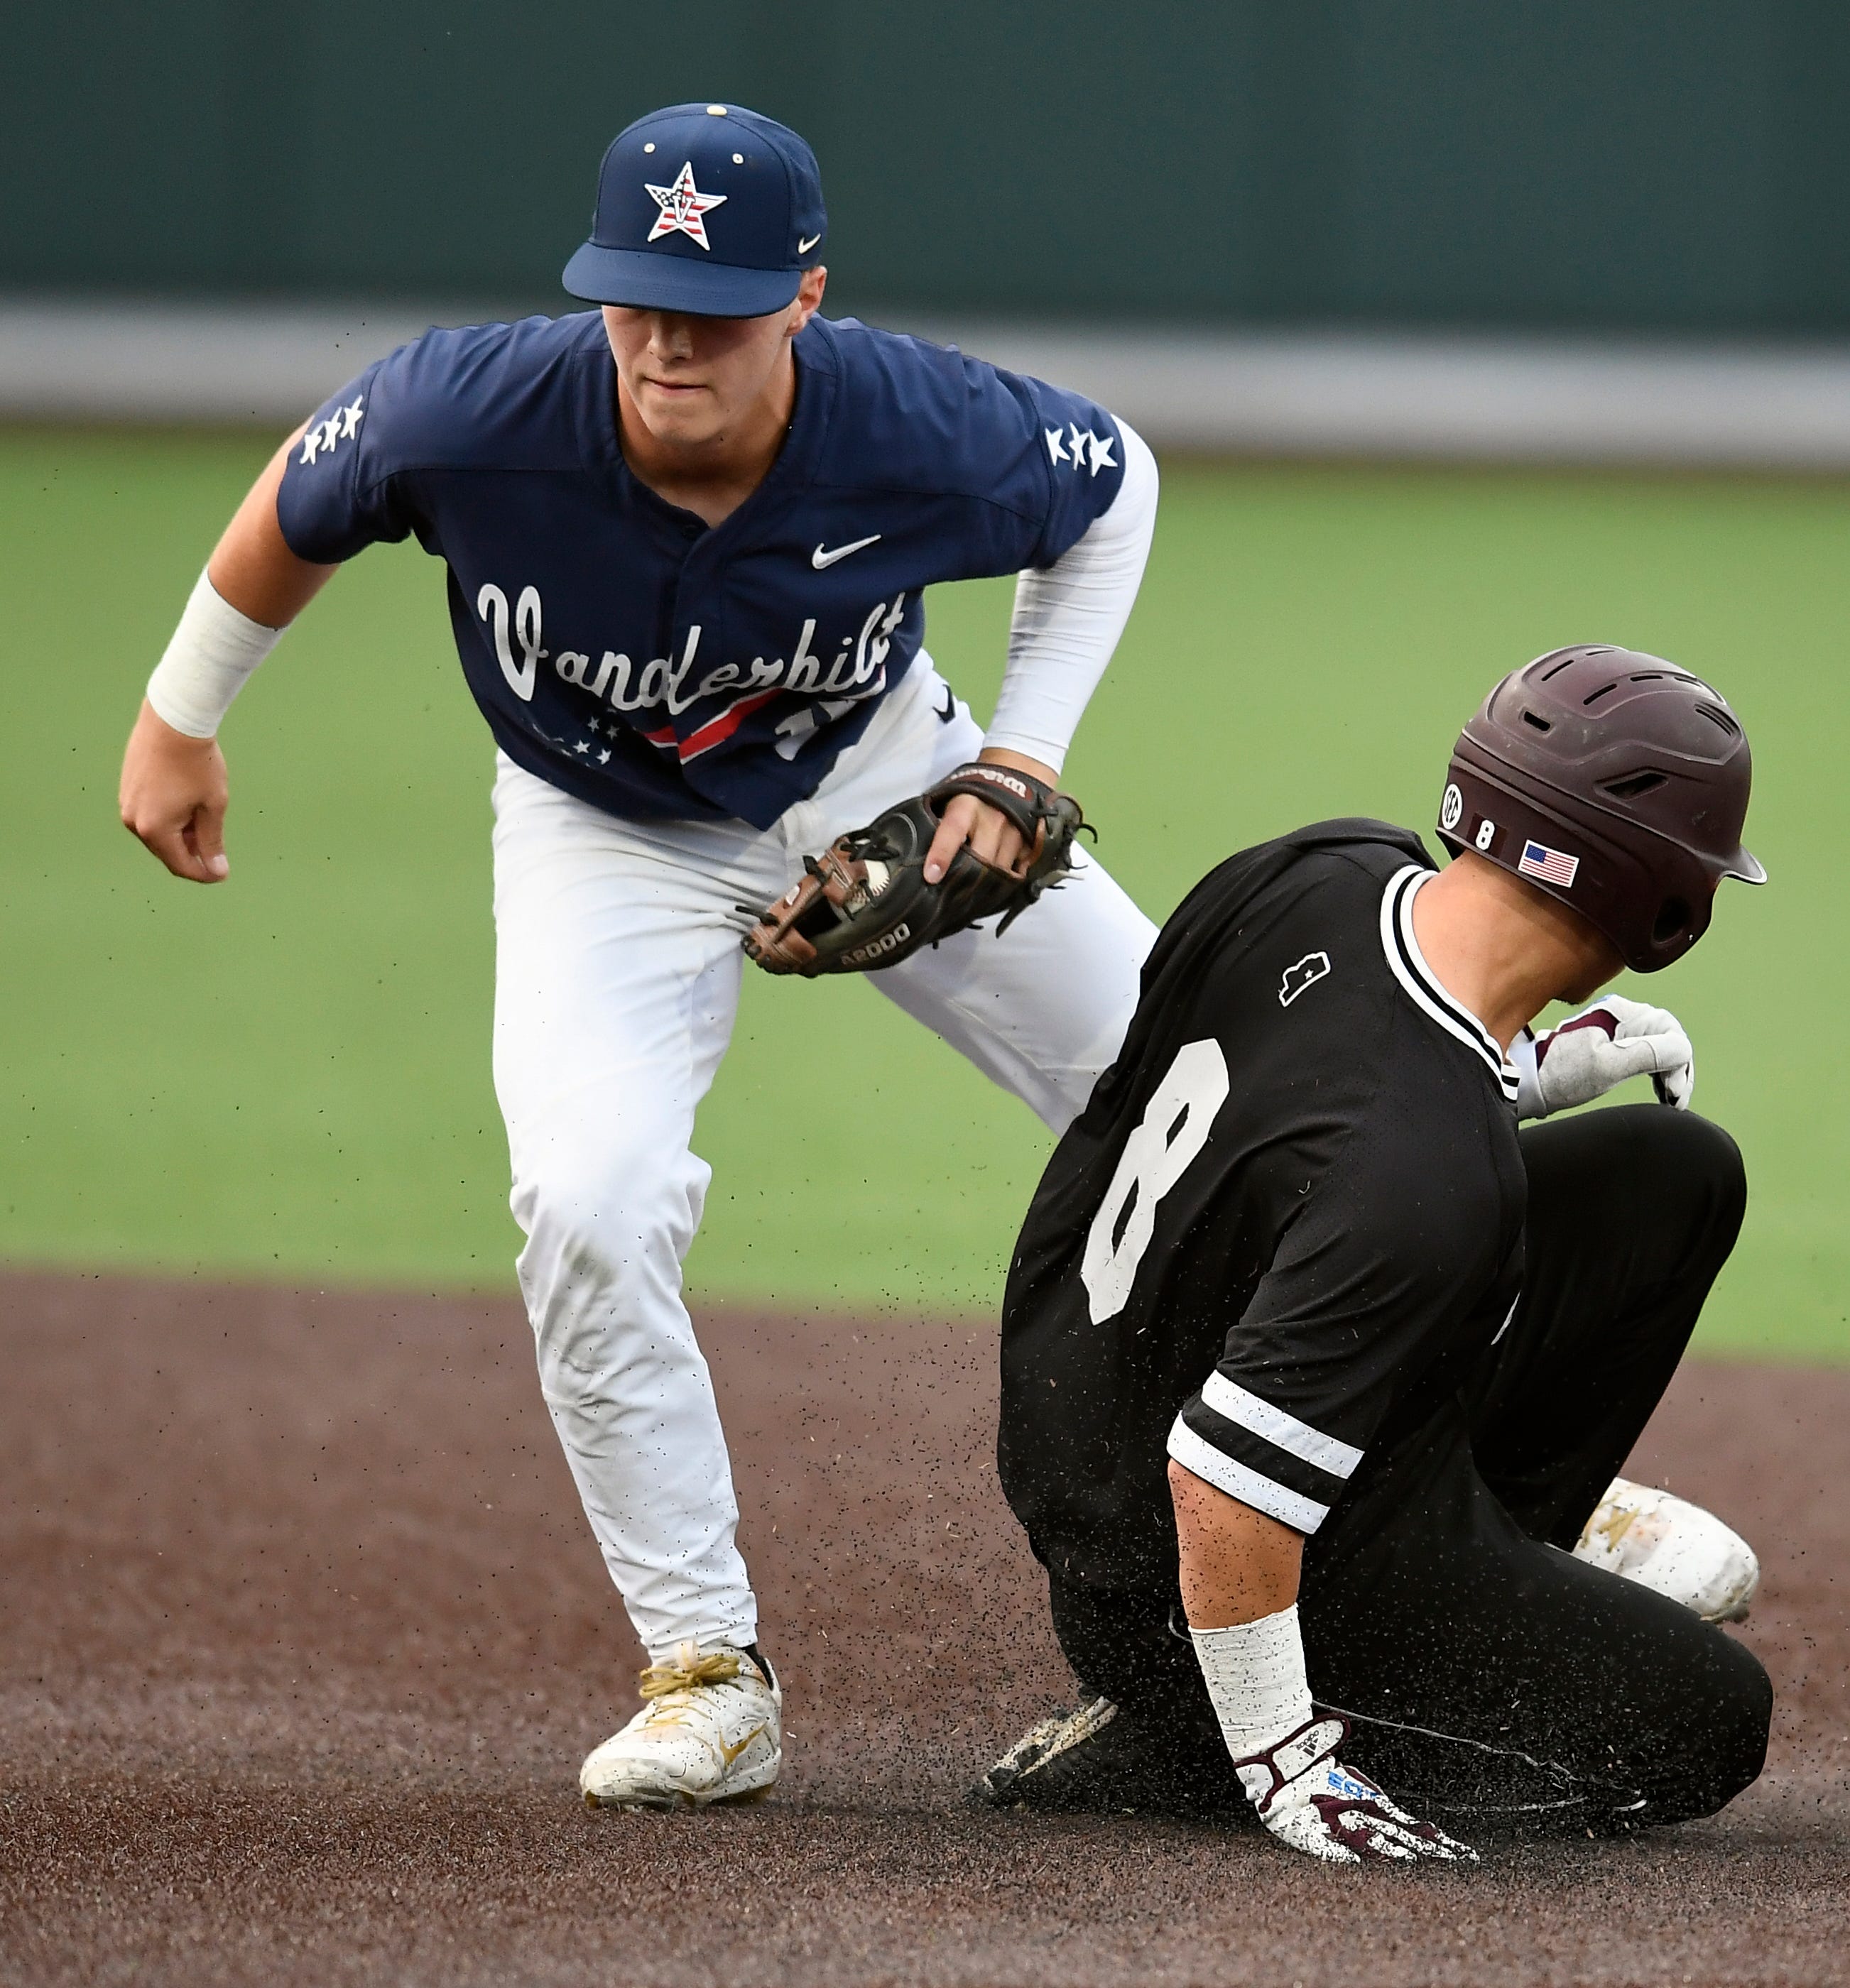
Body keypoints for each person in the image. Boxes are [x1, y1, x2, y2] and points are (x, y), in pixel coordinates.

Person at [116, 102, 1160, 1810]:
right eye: (637, 295)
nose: (670, 340)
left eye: (722, 304)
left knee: (1191, 1089)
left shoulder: (911, 424)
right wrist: (181, 711)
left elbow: (1115, 483)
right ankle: (704, 1664)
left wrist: (1018, 758)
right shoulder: (477, 407)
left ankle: (1514, 1485)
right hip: (598, 828)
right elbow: (305, 493)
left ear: (806, 297)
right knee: (589, 1201)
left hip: (877, 766)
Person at [975, 646, 1772, 1863]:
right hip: (1184, 1571)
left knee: (1673, 1177)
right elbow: (1219, 1481)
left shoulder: (1320, 867)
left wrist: (1516, 1070)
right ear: (1664, 906)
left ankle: (1463, 1580)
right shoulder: (1424, 1170)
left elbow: (1290, 1110)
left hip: (1105, 1400)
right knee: (1708, 1725)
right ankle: (1195, 1735)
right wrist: (1281, 1759)